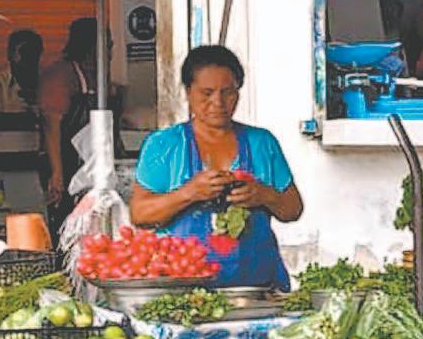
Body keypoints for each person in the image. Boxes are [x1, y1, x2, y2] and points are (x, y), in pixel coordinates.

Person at [130, 46, 305, 289]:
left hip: (257, 289)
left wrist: (263, 194)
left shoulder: (262, 143)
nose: (218, 102)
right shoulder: (164, 145)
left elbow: (293, 210)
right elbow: (140, 215)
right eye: (206, 93)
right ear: (188, 92)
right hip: (184, 291)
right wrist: (189, 193)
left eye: (228, 92)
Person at [38, 18, 100, 218]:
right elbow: (51, 126)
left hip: (90, 164)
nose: (109, 51)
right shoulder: (60, 76)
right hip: (66, 164)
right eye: (106, 45)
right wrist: (57, 174)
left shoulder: (96, 76)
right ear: (91, 47)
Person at [0, 30, 44, 115]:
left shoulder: (49, 85)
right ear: (10, 54)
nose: (30, 57)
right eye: (25, 51)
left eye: (34, 52)